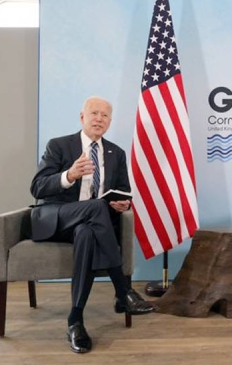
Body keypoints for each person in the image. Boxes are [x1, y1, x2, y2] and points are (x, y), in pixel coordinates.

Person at [30, 96, 157, 354]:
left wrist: (122, 205)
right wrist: (69, 175)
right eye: (94, 113)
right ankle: (123, 292)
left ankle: (75, 320)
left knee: (87, 231)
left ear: (110, 122)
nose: (99, 119)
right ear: (82, 117)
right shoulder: (59, 146)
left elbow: (123, 192)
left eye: (105, 115)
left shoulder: (116, 153)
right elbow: (37, 187)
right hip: (55, 218)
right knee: (96, 207)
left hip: (90, 224)